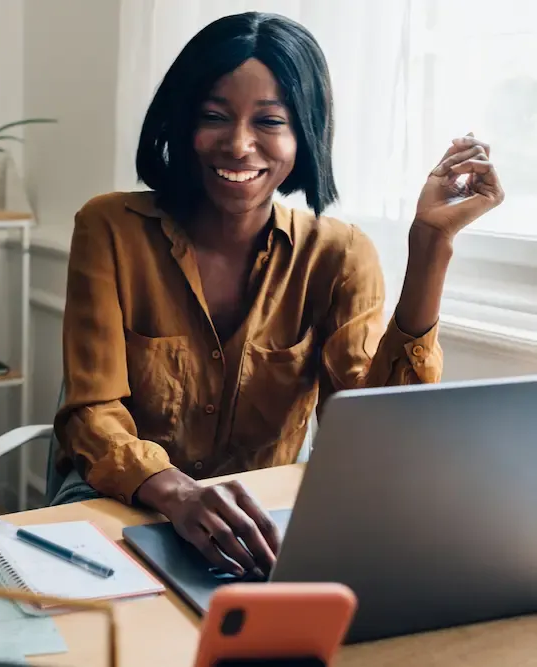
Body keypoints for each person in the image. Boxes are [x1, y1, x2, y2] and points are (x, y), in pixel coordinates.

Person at [52, 12, 505, 577]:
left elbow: (378, 429)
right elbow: (91, 413)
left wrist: (431, 244)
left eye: (270, 121)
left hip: (261, 521)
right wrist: (178, 493)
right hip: (122, 500)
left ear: (304, 135)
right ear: (181, 122)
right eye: (214, 116)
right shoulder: (110, 228)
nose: (239, 145)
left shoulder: (338, 255)